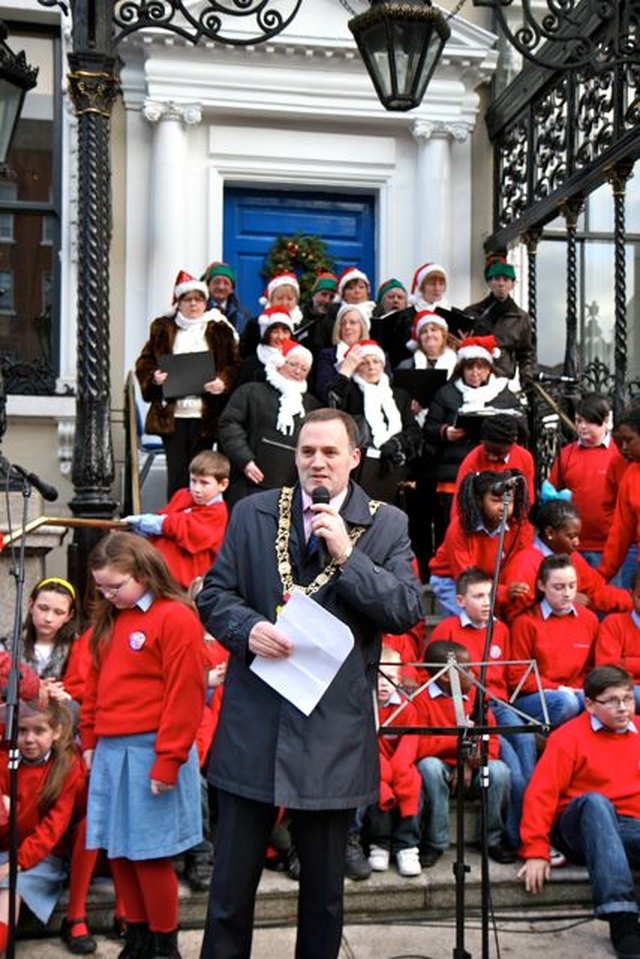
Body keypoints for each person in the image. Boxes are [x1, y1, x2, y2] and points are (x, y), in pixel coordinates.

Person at [196, 407, 424, 959]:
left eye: (328, 452)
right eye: (306, 452)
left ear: (354, 457)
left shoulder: (386, 523)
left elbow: (405, 609)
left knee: (322, 902)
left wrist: (348, 555)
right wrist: (247, 629)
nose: (316, 463)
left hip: (331, 732)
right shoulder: (252, 512)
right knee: (229, 894)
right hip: (255, 722)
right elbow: (214, 595)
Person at [81, 532, 206, 959]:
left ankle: (164, 944)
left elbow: (184, 695)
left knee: (150, 855)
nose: (107, 594)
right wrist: (88, 738)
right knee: (119, 851)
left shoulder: (176, 618)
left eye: (115, 586)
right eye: (101, 587)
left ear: (144, 573)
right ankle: (137, 937)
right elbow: (95, 682)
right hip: (112, 750)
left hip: (154, 750)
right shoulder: (111, 617)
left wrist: (168, 760)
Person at [518, 665, 640, 959]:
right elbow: (541, 793)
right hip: (578, 826)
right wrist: (536, 849)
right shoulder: (568, 737)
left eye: (628, 699)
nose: (622, 708)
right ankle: (622, 919)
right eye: (611, 701)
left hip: (628, 828)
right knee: (596, 802)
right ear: (589, 704)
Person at [429, 567, 537, 848]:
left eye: (489, 595)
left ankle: (523, 828)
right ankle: (511, 836)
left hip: (497, 702)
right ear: (461, 601)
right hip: (465, 705)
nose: (487, 601)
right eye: (478, 596)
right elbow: (427, 673)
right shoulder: (446, 629)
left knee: (525, 738)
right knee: (508, 769)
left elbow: (510, 677)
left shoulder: (500, 629)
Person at [135, 270, 240, 498]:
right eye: (187, 299)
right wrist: (154, 376)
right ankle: (175, 521)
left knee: (202, 473)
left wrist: (223, 382)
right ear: (179, 302)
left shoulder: (219, 329)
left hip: (206, 414)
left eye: (198, 299)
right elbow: (145, 362)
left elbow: (233, 365)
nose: (193, 304)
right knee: (177, 474)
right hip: (172, 415)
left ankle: (197, 520)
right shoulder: (163, 328)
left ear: (205, 302)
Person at [415, 640, 514, 867]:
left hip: (472, 768)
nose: (473, 674)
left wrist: (471, 762)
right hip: (442, 770)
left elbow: (494, 744)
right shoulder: (422, 701)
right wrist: (460, 744)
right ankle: (435, 841)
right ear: (445, 677)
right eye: (466, 669)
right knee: (428, 767)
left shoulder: (478, 698)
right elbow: (420, 746)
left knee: (499, 770)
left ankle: (491, 839)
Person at [0, 700, 87, 955]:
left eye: (39, 731)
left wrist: (16, 863)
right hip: (5, 846)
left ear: (57, 732)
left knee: (10, 890)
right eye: (23, 731)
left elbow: (52, 829)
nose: (29, 739)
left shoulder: (66, 768)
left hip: (40, 857)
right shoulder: (6, 762)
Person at [423, 334, 524, 544]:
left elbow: (520, 426)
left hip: (494, 472)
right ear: (462, 369)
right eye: (470, 368)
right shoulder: (447, 393)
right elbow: (430, 427)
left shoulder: (503, 394)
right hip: (454, 470)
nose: (475, 373)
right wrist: (445, 431)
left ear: (489, 369)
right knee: (454, 526)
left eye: (481, 367)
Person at [219, 339, 320, 507]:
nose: (298, 371)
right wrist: (245, 460)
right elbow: (229, 424)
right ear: (279, 363)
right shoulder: (251, 391)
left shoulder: (312, 405)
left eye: (304, 368)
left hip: (290, 489)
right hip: (249, 482)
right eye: (293, 364)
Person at [504, 497, 632, 624]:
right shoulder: (523, 565)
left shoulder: (571, 556)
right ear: (550, 532)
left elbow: (596, 590)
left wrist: (632, 600)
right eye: (571, 536)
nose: (577, 542)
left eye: (577, 536)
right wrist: (563, 602)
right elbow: (514, 617)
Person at [509, 553, 599, 730]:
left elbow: (593, 669)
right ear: (542, 585)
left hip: (575, 691)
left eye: (572, 586)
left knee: (593, 701)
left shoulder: (589, 619)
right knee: (567, 702)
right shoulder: (525, 622)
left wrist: (579, 689)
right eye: (559, 587)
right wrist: (557, 688)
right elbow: (517, 676)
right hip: (533, 696)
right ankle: (539, 740)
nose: (567, 593)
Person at [327, 339, 422, 502]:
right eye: (364, 363)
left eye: (376, 361)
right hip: (360, 467)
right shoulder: (351, 392)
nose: (371, 367)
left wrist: (396, 443)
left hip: (393, 464)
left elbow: (413, 431)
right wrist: (345, 371)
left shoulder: (399, 395)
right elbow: (333, 405)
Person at [428, 469, 531, 617]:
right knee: (472, 619)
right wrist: (502, 592)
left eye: (509, 501)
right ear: (480, 501)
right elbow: (465, 577)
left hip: (491, 584)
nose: (503, 507)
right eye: (496, 501)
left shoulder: (516, 527)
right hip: (453, 581)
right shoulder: (460, 528)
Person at [126, 450, 230, 589]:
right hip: (158, 574)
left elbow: (186, 529)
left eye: (204, 483)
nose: (197, 489)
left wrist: (157, 523)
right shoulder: (182, 495)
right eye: (193, 481)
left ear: (222, 485)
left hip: (184, 586)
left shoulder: (218, 512)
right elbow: (163, 518)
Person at [365, 647, 422, 878]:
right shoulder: (365, 706)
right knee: (379, 788)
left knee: (413, 782)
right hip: (374, 765)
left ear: (399, 680)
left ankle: (406, 845)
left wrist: (398, 768)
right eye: (379, 676)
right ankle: (380, 843)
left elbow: (410, 741)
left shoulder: (406, 709)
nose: (385, 683)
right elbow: (366, 743)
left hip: (399, 766)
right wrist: (385, 771)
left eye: (392, 678)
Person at [548, 393, 616, 569]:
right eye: (578, 421)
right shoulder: (566, 454)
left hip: (612, 546)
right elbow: (552, 496)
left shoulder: (620, 454)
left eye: (589, 422)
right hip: (573, 547)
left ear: (605, 421)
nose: (582, 427)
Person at [464, 255, 536, 389]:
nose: (501, 283)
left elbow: (526, 353)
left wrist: (527, 378)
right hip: (473, 380)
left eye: (506, 279)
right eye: (497, 279)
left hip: (502, 381)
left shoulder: (521, 318)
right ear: (489, 282)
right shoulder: (472, 313)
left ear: (513, 284)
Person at [453, 414, 535, 512]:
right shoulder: (472, 460)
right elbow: (459, 506)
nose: (491, 456)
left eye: (498, 452)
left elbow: (527, 501)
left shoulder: (525, 458)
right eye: (487, 450)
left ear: (512, 443)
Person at [599, 405, 640, 584]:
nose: (624, 447)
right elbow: (620, 531)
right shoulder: (631, 475)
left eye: (629, 440)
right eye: (621, 441)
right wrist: (602, 576)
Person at [596, 570, 640, 710]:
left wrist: (626, 662)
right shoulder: (613, 623)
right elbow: (607, 670)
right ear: (631, 594)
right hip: (623, 691)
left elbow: (617, 665)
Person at [313, 302, 373, 404]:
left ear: (363, 326)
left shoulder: (376, 353)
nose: (347, 327)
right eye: (343, 323)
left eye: (353, 322)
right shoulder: (328, 355)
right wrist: (346, 370)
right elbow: (324, 393)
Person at [240, 272, 303, 359]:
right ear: (271, 299)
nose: (285, 303)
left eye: (290, 298)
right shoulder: (256, 324)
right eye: (279, 298)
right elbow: (247, 352)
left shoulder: (303, 323)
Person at [236, 305, 295, 386]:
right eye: (275, 332)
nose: (280, 337)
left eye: (285, 332)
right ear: (266, 334)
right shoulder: (250, 363)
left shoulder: (297, 362)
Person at [200, 261, 251, 336]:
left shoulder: (242, 315)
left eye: (226, 283)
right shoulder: (199, 311)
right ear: (208, 286)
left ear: (232, 289)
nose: (221, 287)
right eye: (216, 282)